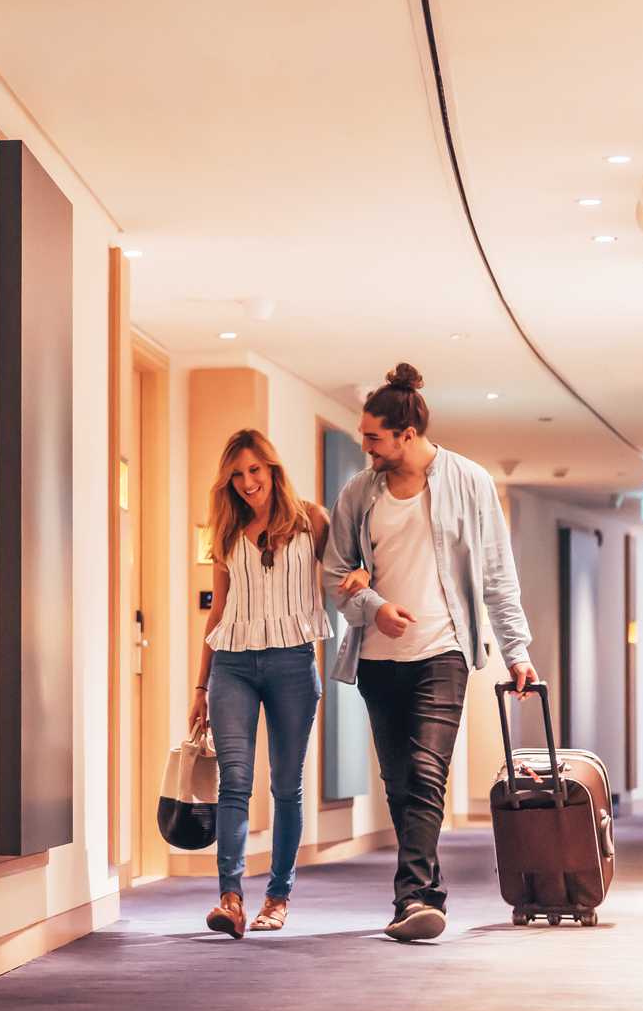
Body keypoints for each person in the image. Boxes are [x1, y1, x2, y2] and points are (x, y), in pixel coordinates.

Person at [322, 363, 537, 942]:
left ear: (407, 435)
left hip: (443, 650)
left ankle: (414, 897)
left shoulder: (470, 482)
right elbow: (334, 573)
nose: (364, 446)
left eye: (373, 437)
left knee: (425, 772)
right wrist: (374, 608)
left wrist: (516, 650)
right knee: (400, 781)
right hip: (376, 658)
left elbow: (497, 575)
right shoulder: (358, 493)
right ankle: (422, 890)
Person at [186, 429, 331, 939]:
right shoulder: (225, 534)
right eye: (237, 475)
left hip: (293, 662)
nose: (248, 483)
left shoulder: (313, 521)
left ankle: (277, 896)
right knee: (235, 783)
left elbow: (342, 575)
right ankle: (230, 898)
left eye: (255, 471)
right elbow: (217, 612)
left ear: (272, 468)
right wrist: (201, 687)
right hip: (233, 667)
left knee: (286, 786)